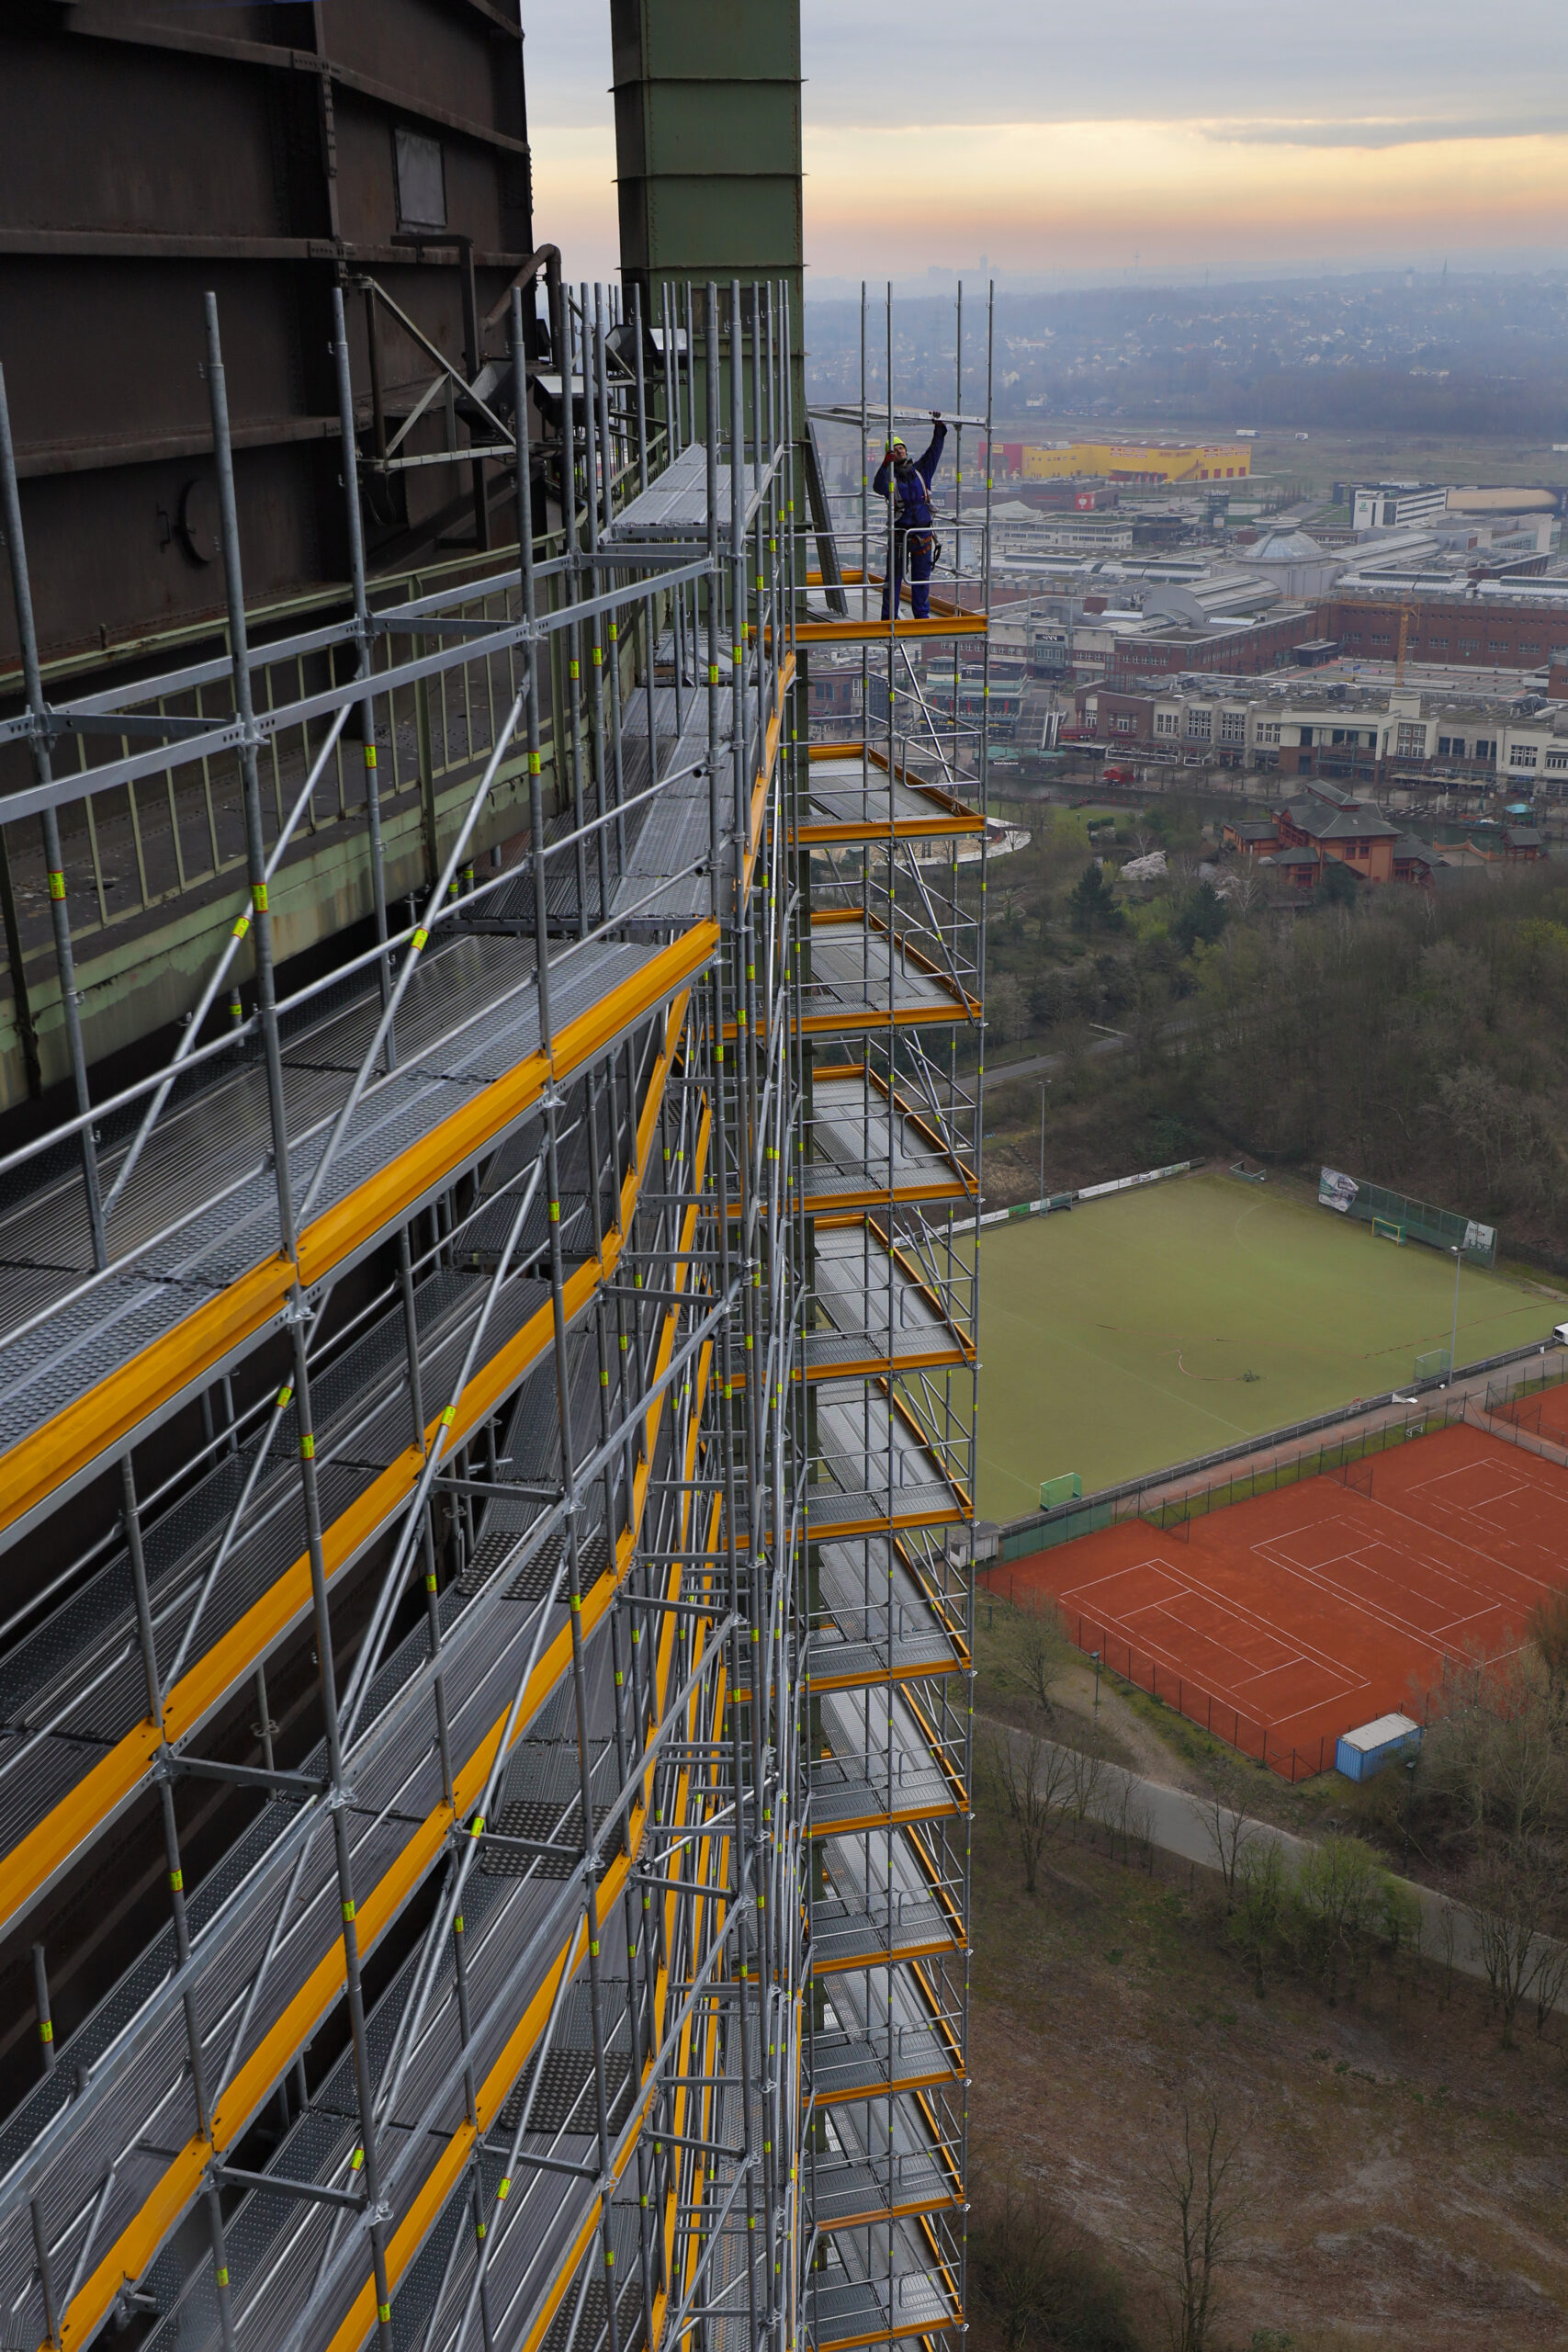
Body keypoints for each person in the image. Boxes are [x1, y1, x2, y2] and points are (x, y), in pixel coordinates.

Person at [872, 413, 946, 619]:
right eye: (894, 450)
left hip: (921, 536)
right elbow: (877, 486)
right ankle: (889, 619)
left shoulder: (921, 472)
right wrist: (885, 465)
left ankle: (921, 617)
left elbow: (934, 452)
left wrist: (939, 428)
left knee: (921, 580)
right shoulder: (890, 480)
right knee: (893, 581)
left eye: (901, 448)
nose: (899, 451)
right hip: (899, 539)